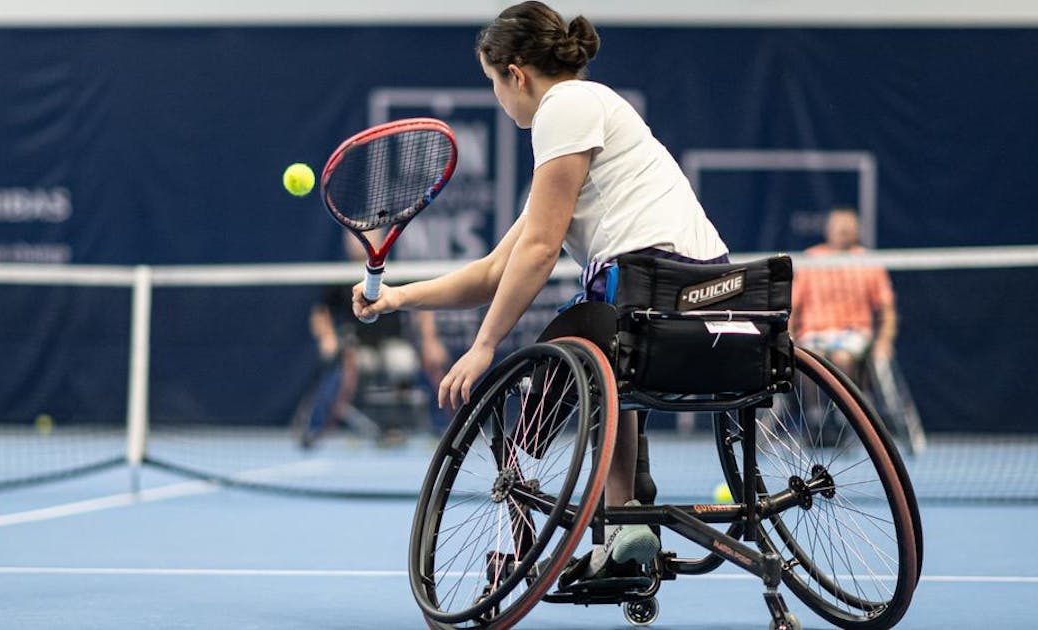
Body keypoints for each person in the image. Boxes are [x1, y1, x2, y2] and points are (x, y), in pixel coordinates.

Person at [351, 1, 728, 580]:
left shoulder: (565, 105)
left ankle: (603, 510)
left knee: (570, 357)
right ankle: (625, 522)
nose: (501, 102)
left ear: (517, 75)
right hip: (719, 305)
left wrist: (483, 347)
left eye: (493, 84)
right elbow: (493, 271)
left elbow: (539, 250)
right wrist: (399, 297)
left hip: (651, 292)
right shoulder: (584, 130)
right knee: (606, 352)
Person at [293, 234, 449, 447]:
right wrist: (327, 337)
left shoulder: (396, 271)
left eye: (366, 236)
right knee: (345, 369)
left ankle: (444, 429)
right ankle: (315, 429)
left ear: (381, 239)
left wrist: (430, 341)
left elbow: (422, 309)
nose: (358, 241)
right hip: (358, 348)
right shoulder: (338, 275)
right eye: (354, 238)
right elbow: (320, 312)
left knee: (423, 364)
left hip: (395, 345)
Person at [791, 208, 897, 382]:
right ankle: (814, 410)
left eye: (848, 229)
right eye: (839, 228)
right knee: (812, 359)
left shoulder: (868, 261)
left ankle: (844, 409)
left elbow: (887, 309)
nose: (843, 233)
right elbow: (792, 307)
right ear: (829, 230)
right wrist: (789, 338)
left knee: (842, 358)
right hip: (814, 334)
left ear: (856, 231)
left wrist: (884, 342)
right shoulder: (810, 259)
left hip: (853, 333)